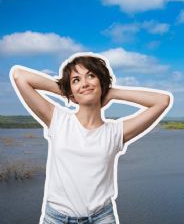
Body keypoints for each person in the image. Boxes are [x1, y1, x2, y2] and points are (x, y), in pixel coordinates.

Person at [9, 52, 173, 224]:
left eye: (91, 76)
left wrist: (112, 93)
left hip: (101, 219)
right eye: (76, 80)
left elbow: (162, 101)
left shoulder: (115, 132)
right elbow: (19, 76)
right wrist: (69, 92)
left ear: (101, 82)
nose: (85, 83)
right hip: (56, 219)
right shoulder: (58, 119)